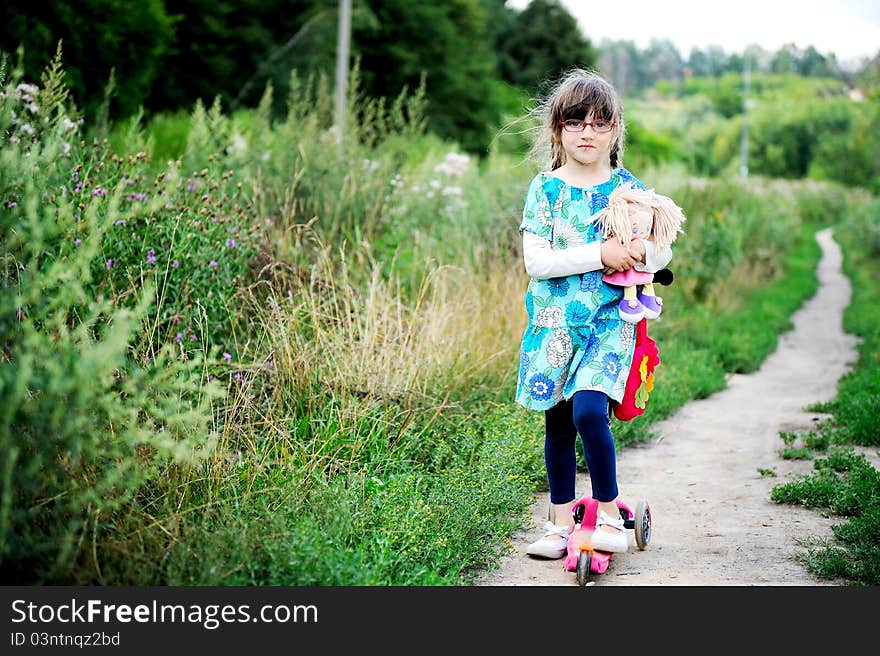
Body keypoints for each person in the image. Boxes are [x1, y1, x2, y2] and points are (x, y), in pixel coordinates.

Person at [515, 69, 673, 558]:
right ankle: (560, 524)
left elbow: (662, 248)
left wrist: (643, 253)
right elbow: (536, 261)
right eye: (576, 121)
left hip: (609, 324)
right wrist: (601, 253)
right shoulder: (545, 190)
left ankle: (607, 512)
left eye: (600, 123)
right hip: (555, 325)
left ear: (615, 130)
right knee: (558, 423)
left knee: (588, 409)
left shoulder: (628, 188)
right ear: (558, 128)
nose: (588, 132)